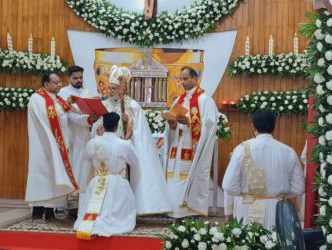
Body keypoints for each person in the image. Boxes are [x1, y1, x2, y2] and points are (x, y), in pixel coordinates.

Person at [91, 65, 172, 215]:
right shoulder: (103, 105)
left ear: (122, 89)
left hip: (124, 152)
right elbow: (96, 128)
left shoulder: (132, 106)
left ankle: (125, 209)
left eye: (114, 88)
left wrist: (129, 122)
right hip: (106, 153)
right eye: (109, 88)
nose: (111, 91)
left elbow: (141, 133)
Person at [25, 71, 97, 222]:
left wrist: (89, 119)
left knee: (55, 177)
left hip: (59, 145)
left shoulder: (58, 100)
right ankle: (37, 213)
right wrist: (67, 104)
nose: (59, 85)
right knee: (43, 177)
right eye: (56, 82)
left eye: (59, 82)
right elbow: (48, 117)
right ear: (46, 84)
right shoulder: (37, 98)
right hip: (45, 145)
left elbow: (71, 118)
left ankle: (50, 213)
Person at [222, 110, 305, 230]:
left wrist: (245, 193)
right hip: (278, 209)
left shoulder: (241, 150)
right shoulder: (289, 152)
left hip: (247, 207)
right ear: (274, 127)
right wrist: (279, 194)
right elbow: (299, 188)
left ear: (253, 126)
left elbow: (229, 186)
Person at [162, 66, 219, 218]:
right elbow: (171, 128)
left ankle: (189, 214)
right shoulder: (179, 100)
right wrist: (172, 125)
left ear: (195, 79)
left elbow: (210, 125)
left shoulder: (205, 99)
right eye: (181, 79)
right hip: (177, 147)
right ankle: (175, 214)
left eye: (186, 79)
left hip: (191, 149)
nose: (183, 82)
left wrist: (189, 123)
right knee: (174, 181)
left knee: (187, 178)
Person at [75, 112, 138, 239]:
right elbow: (134, 162)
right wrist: (127, 140)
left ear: (103, 125)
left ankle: (93, 223)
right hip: (117, 184)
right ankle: (113, 221)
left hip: (97, 181)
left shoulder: (93, 143)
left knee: (94, 209)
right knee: (115, 215)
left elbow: (86, 158)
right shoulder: (124, 144)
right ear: (116, 127)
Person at [58, 66, 99, 217]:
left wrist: (94, 114)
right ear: (68, 78)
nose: (79, 80)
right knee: (73, 167)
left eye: (80, 77)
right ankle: (70, 206)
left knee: (85, 169)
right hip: (70, 137)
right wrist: (88, 119)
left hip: (85, 135)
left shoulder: (86, 92)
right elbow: (67, 116)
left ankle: (82, 204)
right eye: (75, 78)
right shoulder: (63, 93)